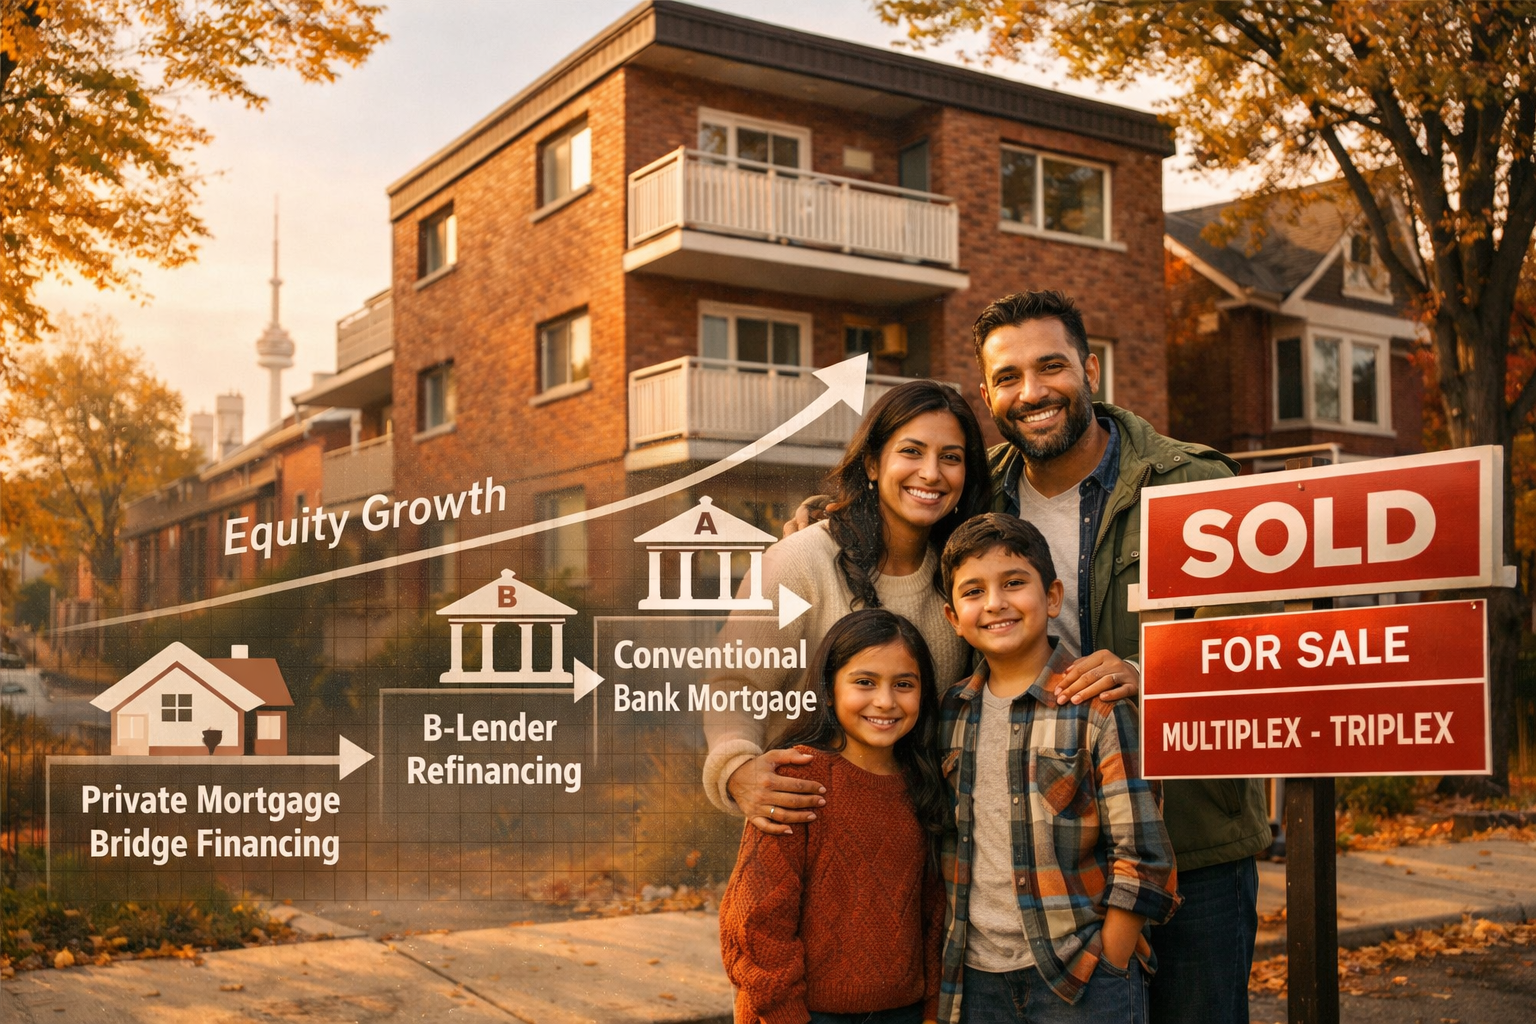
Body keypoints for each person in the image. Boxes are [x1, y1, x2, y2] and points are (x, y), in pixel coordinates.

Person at [970, 291, 1270, 1024]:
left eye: (1052, 367)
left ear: (1091, 369)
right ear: (988, 394)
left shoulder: (1192, 484)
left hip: (1189, 839)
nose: (1032, 392)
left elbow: (1264, 645)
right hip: (1048, 858)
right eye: (1008, 377)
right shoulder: (974, 494)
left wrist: (1149, 672)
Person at [702, 379, 991, 831]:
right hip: (810, 828)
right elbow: (734, 683)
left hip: (920, 837)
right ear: (873, 463)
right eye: (911, 452)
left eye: (950, 457)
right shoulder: (798, 562)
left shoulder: (964, 580)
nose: (932, 474)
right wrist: (737, 768)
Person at [934, 512, 1179, 1022]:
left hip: (1081, 976)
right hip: (975, 979)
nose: (996, 602)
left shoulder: (1097, 707)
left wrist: (1110, 956)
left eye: (1014, 583)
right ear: (953, 617)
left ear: (1052, 597)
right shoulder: (951, 712)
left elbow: (1144, 854)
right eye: (973, 591)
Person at [719, 608, 948, 1024]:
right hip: (802, 1014)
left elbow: (932, 913)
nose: (885, 701)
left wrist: (932, 1009)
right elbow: (755, 921)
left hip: (904, 1012)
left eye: (904, 684)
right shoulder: (796, 780)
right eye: (865, 682)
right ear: (828, 689)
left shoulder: (924, 784)